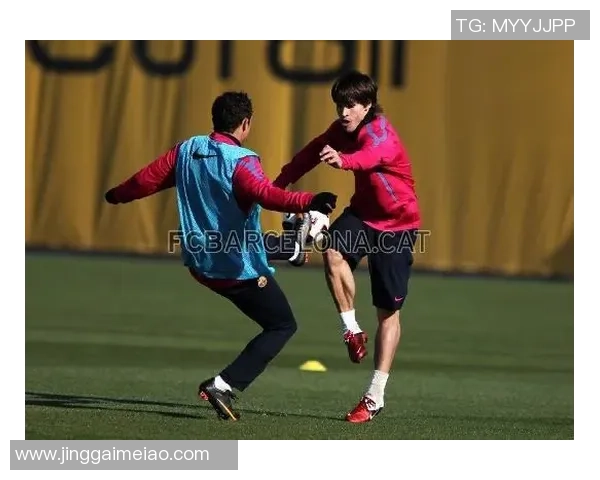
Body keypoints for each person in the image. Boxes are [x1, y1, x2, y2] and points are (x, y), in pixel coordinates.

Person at [104, 91, 338, 421]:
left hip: (200, 262)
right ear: (246, 123)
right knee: (282, 325)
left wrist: (116, 195)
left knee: (255, 244)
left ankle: (295, 247)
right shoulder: (241, 161)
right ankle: (222, 385)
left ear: (215, 119)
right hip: (235, 269)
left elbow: (145, 181)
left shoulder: (187, 150)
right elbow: (265, 194)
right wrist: (309, 200)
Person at [273, 70, 421, 423]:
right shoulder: (341, 129)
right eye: (340, 104)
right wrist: (277, 185)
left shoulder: (380, 132)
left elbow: (369, 157)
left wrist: (344, 161)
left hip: (397, 225)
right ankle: (351, 330)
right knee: (332, 251)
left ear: (367, 105)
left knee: (388, 313)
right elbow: (310, 153)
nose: (344, 111)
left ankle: (374, 396)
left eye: (351, 105)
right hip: (363, 215)